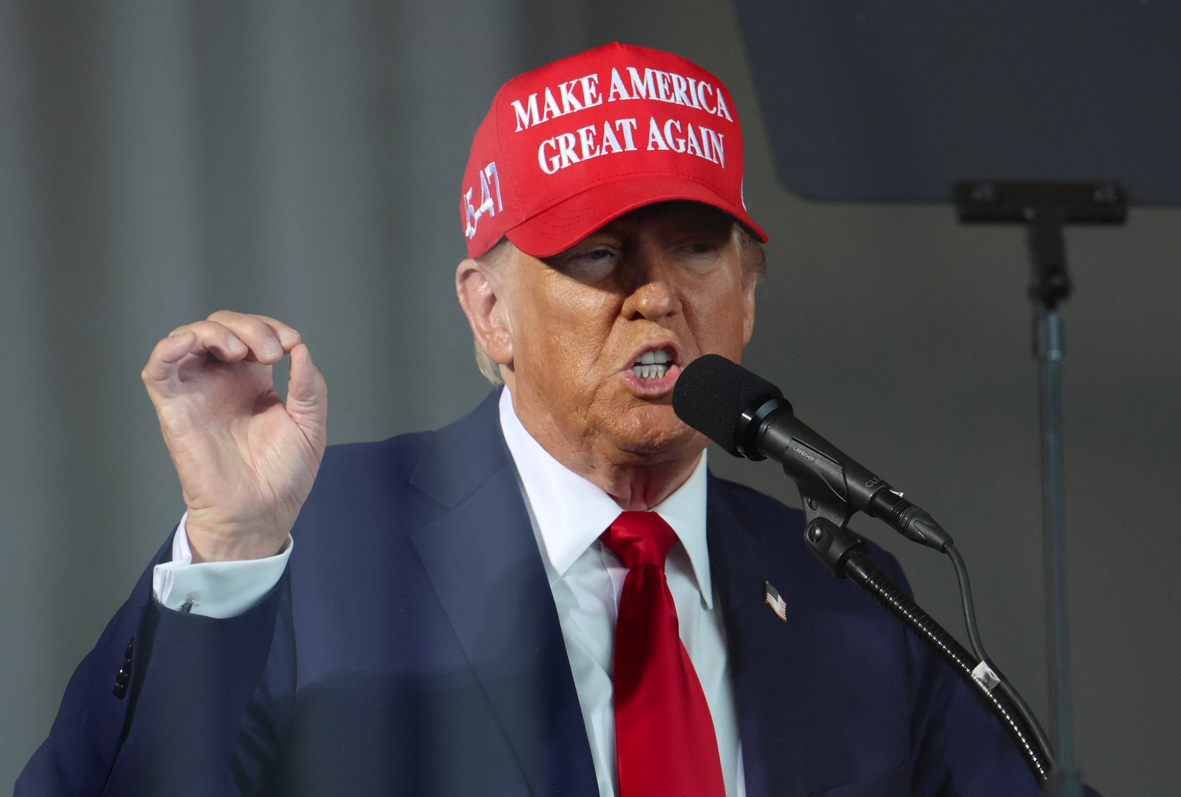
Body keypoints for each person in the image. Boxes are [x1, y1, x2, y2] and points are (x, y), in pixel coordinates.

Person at [19, 42, 1042, 796]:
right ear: (489, 309)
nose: (654, 297)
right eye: (599, 253)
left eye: (695, 247)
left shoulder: (848, 591)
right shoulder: (315, 548)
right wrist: (235, 547)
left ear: (750, 294)